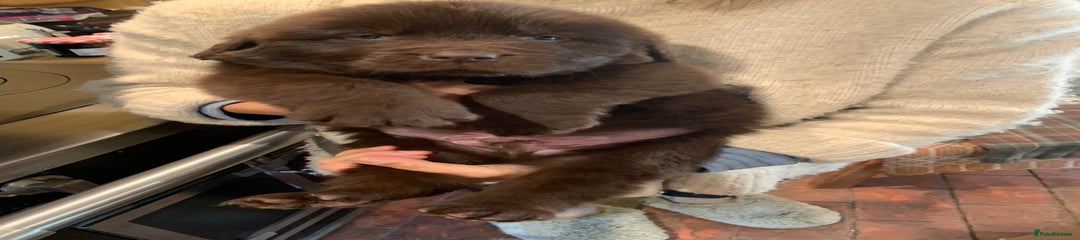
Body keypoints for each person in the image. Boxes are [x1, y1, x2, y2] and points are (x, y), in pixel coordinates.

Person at [84, 0, 1080, 236]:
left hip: (717, 141)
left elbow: (962, 103)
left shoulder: (1009, 11)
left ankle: (682, 197)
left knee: (690, 175)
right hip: (399, 152)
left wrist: (661, 156)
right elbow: (165, 54)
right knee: (517, 208)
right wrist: (272, 99)